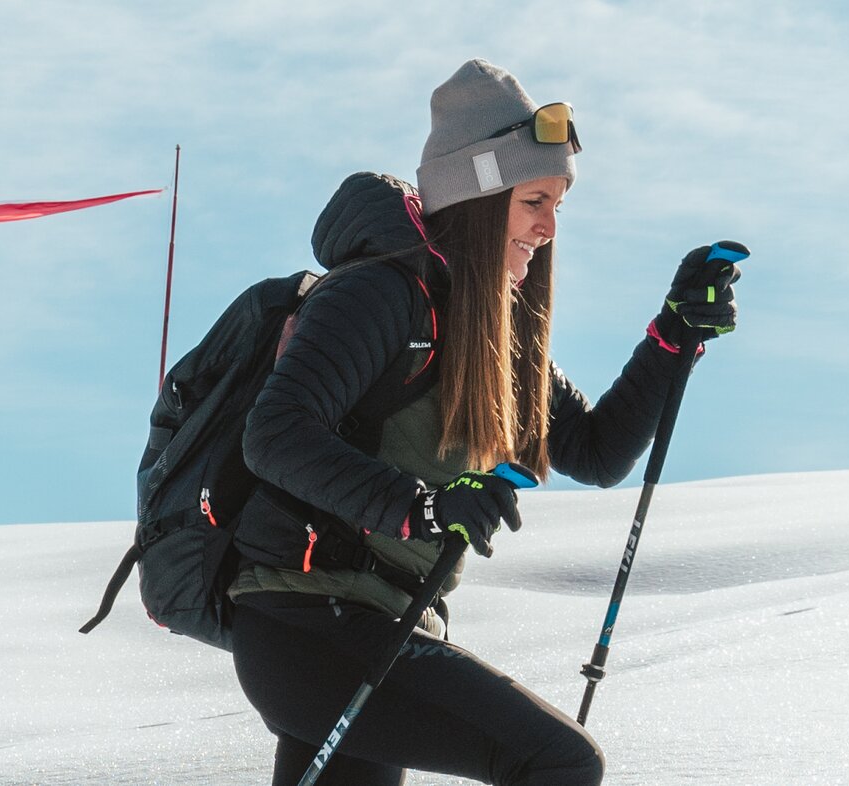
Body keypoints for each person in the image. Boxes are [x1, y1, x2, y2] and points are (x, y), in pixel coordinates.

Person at [225, 60, 746, 785]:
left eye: (558, 203)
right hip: (313, 621)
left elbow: (594, 453)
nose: (548, 225)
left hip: (369, 622)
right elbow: (274, 434)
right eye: (534, 199)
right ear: (477, 195)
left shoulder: (491, 332)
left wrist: (670, 341)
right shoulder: (380, 295)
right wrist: (423, 508)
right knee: (557, 761)